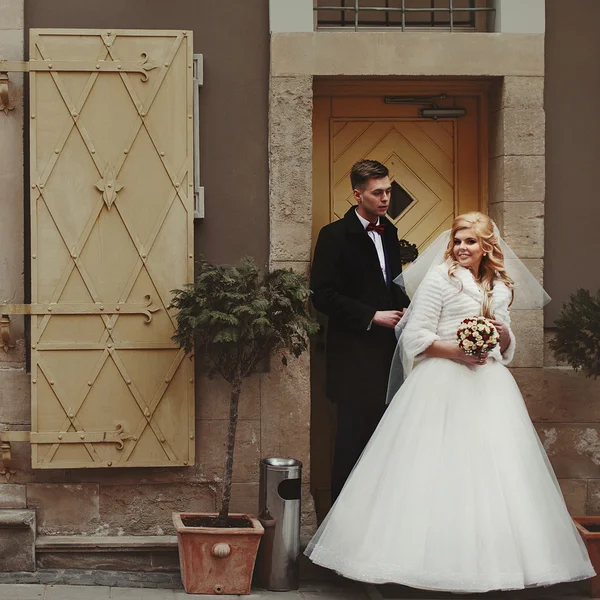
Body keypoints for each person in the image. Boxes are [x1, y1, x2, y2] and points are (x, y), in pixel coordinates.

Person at [305, 212, 595, 592]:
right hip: (439, 384)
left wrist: (502, 336)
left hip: (490, 386)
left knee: (494, 475)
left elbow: (507, 346)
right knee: (432, 471)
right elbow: (414, 337)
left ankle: (489, 564)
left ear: (486, 246)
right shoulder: (440, 279)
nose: (461, 248)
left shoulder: (501, 286)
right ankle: (410, 565)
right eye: (457, 241)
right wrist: (456, 352)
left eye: (469, 242)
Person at [311, 160, 410, 502]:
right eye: (378, 192)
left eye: (388, 191)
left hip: (389, 357)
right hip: (352, 358)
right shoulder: (333, 236)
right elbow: (321, 295)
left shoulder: (391, 231)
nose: (385, 198)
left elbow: (392, 285)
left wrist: (406, 307)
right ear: (358, 194)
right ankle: (339, 526)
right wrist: (371, 316)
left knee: (386, 443)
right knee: (351, 442)